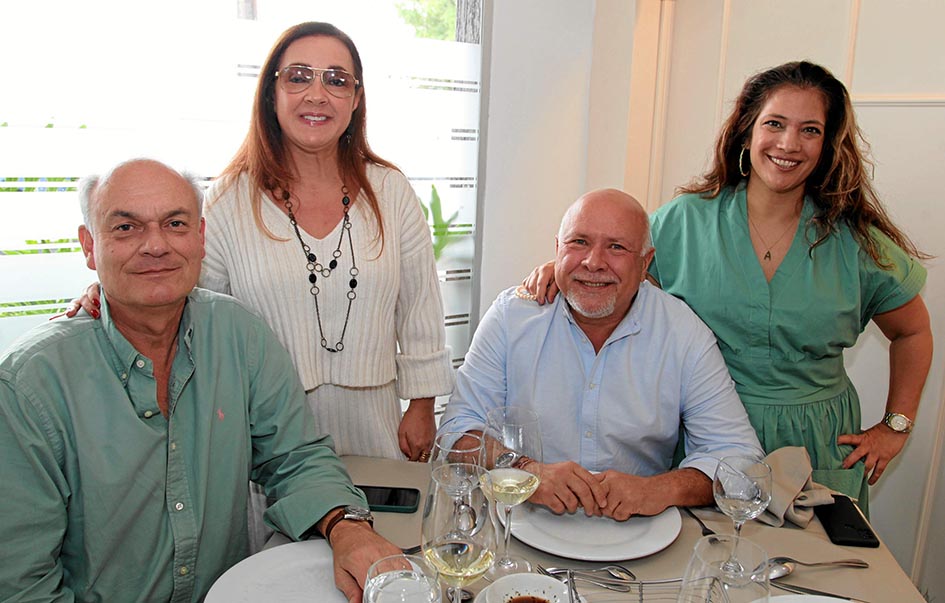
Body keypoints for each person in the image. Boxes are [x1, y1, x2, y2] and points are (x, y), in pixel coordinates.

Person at [523, 61, 932, 513]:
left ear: (828, 144)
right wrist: (568, 268)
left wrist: (895, 426)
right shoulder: (685, 222)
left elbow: (913, 331)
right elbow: (622, 272)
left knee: (811, 561)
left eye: (810, 130)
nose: (788, 143)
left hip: (816, 446)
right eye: (774, 124)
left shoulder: (854, 242)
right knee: (706, 557)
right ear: (747, 131)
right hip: (705, 448)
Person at [0, 159, 400, 603]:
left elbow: (296, 457)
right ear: (89, 246)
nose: (156, 245)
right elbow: (22, 585)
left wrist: (346, 525)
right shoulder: (29, 387)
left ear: (201, 237)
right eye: (126, 228)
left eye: (175, 224)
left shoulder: (239, 334)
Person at [67, 21, 454, 462]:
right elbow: (187, 298)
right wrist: (114, 294)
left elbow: (420, 306)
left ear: (356, 99)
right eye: (298, 77)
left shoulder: (390, 191)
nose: (317, 94)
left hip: (377, 426)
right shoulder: (227, 199)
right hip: (262, 430)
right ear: (272, 93)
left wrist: (422, 404)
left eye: (336, 80)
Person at [440, 189, 764, 519]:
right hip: (517, 523)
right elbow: (456, 430)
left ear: (645, 263)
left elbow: (740, 457)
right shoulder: (512, 317)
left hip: (641, 533)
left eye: (616, 247)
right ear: (557, 249)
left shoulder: (683, 333)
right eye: (579, 242)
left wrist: (658, 489)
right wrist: (525, 470)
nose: (593, 262)